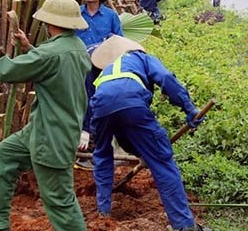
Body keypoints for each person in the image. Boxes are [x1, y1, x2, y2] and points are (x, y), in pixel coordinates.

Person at [0, 0, 91, 231]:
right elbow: (51, 66)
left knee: (60, 200)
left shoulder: (50, 54)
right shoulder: (76, 48)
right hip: (46, 128)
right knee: (5, 154)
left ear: (51, 23)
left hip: (51, 136)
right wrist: (29, 48)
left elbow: (4, 70)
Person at [89, 35, 209, 231]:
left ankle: (104, 211)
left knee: (102, 155)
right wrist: (189, 108)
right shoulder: (142, 58)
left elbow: (112, 118)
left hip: (101, 107)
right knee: (162, 162)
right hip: (132, 103)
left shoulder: (106, 71)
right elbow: (166, 78)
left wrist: (142, 151)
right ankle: (184, 226)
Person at [75, 0, 123, 165]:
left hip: (103, 66)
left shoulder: (110, 16)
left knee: (101, 99)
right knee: (82, 99)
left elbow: (118, 39)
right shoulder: (77, 14)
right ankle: (84, 136)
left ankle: (99, 138)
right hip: (81, 64)